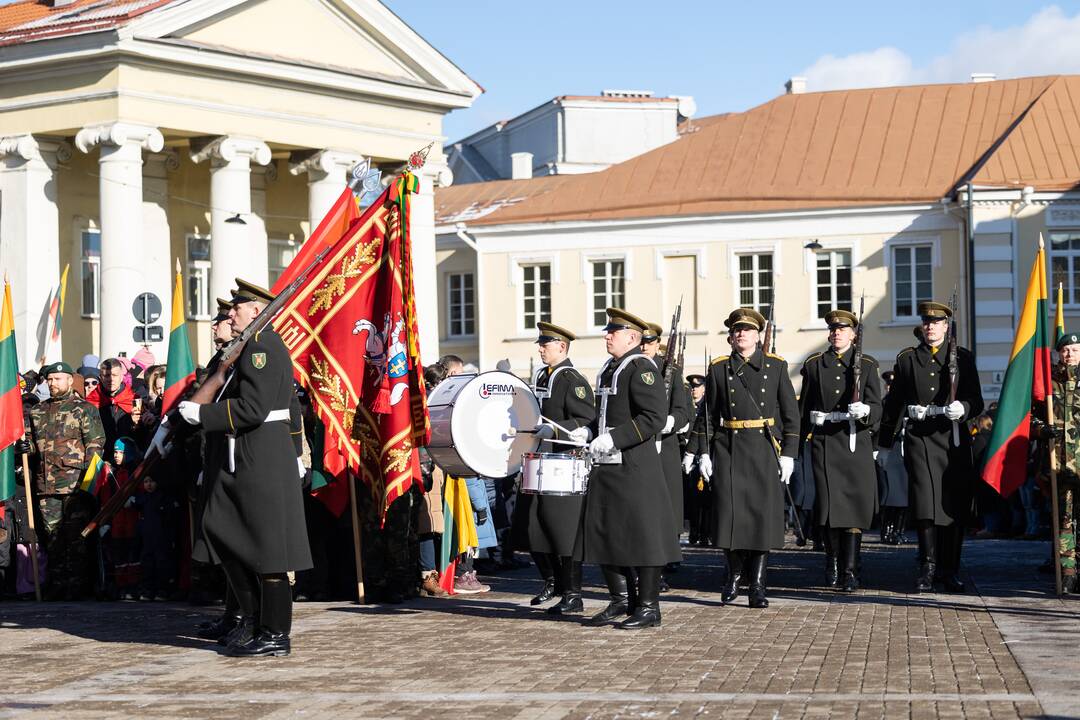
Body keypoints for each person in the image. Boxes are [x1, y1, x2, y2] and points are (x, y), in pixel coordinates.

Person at [178, 279, 311, 657]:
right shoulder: (246, 347)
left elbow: (253, 408)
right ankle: (252, 619)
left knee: (269, 551)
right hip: (246, 453)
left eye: (238, 307)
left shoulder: (263, 345)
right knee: (220, 530)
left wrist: (203, 414)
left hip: (261, 456)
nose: (230, 312)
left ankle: (275, 633)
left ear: (256, 311)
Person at [574, 308, 679, 629]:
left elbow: (653, 418)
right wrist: (588, 430)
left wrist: (614, 439)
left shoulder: (641, 368)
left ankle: (648, 607)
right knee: (606, 533)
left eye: (613, 332)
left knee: (642, 536)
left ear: (632, 338)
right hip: (607, 466)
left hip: (635, 466)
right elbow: (604, 413)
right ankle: (621, 600)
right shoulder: (609, 368)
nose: (607, 336)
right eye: (608, 331)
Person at [695, 308, 799, 608]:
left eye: (747, 330)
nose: (741, 334)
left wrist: (789, 454)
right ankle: (733, 577)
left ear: (758, 336)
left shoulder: (776, 367)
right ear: (730, 336)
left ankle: (757, 585)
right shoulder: (718, 369)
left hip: (764, 449)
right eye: (736, 330)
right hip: (728, 448)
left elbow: (791, 416)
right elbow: (708, 418)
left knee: (761, 519)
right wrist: (704, 452)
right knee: (729, 516)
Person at [877, 301, 984, 593]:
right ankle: (927, 567)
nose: (931, 327)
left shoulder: (961, 358)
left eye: (936, 323)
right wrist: (884, 445)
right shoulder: (908, 359)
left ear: (946, 327)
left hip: (953, 439)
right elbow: (894, 405)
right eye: (927, 323)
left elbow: (977, 398)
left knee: (953, 506)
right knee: (926, 505)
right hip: (921, 439)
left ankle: (950, 569)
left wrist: (964, 406)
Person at [514, 322, 595, 615]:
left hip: (564, 463)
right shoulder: (542, 375)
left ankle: (573, 594)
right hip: (541, 461)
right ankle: (553, 581)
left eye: (545, 345)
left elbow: (586, 418)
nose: (540, 348)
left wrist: (556, 433)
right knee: (533, 528)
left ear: (561, 346)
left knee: (563, 533)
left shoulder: (572, 379)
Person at [799, 309, 882, 592]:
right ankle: (832, 563)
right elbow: (803, 408)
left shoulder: (868, 365)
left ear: (853, 334)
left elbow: (878, 406)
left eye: (843, 329)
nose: (837, 334)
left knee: (854, 509)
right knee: (830, 507)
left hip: (854, 442)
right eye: (834, 329)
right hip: (825, 443)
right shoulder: (814, 365)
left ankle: (850, 569)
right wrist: (810, 422)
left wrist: (867, 410)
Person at [20, 361, 106, 600]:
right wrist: (25, 449)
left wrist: (89, 484)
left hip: (75, 483)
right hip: (46, 484)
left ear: (70, 380)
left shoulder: (84, 409)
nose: (52, 383)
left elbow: (95, 445)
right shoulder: (38, 411)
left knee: (76, 536)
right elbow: (31, 447)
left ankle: (78, 586)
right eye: (49, 379)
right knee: (52, 537)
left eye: (58, 379)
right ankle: (58, 584)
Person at [641, 321, 692, 584]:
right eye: (641, 341)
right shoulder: (632, 367)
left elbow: (683, 410)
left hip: (665, 447)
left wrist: (670, 422)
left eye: (649, 342)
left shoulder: (670, 369)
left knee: (666, 509)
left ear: (658, 343)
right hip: (639, 446)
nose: (645, 347)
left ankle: (661, 565)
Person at [1033, 332, 1080, 592]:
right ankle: (1068, 573)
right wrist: (1042, 430)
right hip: (1058, 465)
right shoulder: (1049, 383)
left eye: (1074, 349)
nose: (1069, 354)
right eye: (1065, 350)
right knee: (1063, 521)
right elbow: (1029, 419)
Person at [877, 370, 910, 545]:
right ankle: (886, 530)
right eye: (888, 385)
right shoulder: (884, 403)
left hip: (904, 451)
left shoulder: (906, 402)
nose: (889, 387)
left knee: (904, 496)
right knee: (889, 495)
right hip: (891, 452)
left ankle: (899, 530)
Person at [682, 374, 711, 545]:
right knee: (691, 498)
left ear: (704, 388)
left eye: (697, 386)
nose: (694, 390)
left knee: (705, 498)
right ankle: (694, 531)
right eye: (692, 387)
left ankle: (705, 532)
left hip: (702, 454)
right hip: (687, 454)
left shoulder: (705, 408)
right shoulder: (687, 406)